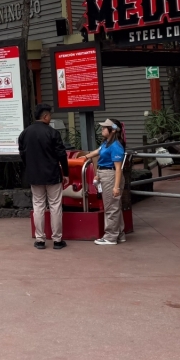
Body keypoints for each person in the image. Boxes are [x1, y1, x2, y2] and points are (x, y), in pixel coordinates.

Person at [18, 103, 69, 250]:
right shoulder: (53, 133)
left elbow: (22, 153)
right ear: (46, 116)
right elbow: (61, 155)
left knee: (38, 206)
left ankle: (40, 240)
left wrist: (30, 167)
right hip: (52, 174)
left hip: (34, 175)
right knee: (55, 206)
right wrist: (65, 173)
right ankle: (57, 240)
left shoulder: (25, 133)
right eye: (50, 115)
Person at [80, 119, 127, 245]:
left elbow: (118, 169)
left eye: (104, 128)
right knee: (114, 206)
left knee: (111, 208)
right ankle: (120, 234)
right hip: (105, 174)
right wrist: (85, 156)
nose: (102, 130)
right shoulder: (107, 143)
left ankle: (110, 237)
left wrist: (116, 187)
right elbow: (98, 151)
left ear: (112, 130)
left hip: (110, 176)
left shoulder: (116, 146)